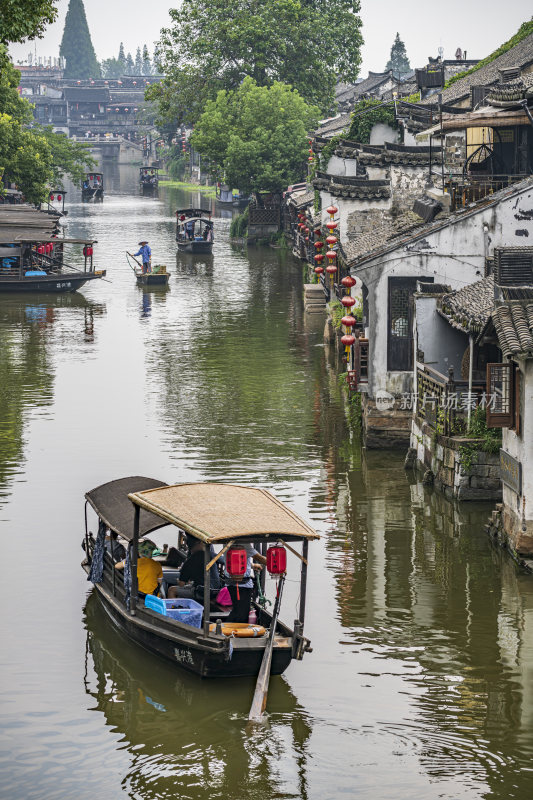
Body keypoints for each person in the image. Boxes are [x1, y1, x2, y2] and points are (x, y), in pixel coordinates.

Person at [224, 543, 266, 622]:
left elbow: (237, 560)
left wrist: (252, 565)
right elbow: (260, 558)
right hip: (241, 584)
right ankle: (230, 631)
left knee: (238, 610)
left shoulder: (230, 541)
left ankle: (227, 630)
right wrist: (280, 567)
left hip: (233, 583)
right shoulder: (243, 543)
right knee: (241, 614)